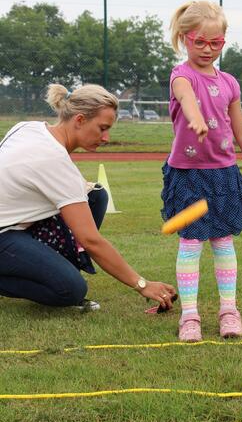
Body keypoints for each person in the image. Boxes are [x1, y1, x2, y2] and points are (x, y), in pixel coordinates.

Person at [0, 83, 176, 311]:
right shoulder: (55, 162)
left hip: (14, 224)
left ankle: (61, 266)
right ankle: (58, 276)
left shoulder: (28, 127)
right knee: (70, 289)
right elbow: (91, 240)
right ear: (80, 120)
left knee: (96, 195)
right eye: (102, 128)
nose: (106, 137)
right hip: (5, 234)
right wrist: (142, 284)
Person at [161, 1, 242, 342]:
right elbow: (186, 97)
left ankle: (229, 311)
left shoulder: (230, 83)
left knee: (223, 242)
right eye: (200, 42)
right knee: (190, 242)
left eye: (216, 43)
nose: (207, 49)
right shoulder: (181, 75)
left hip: (224, 174)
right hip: (188, 176)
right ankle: (189, 316)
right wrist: (195, 117)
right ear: (185, 39)